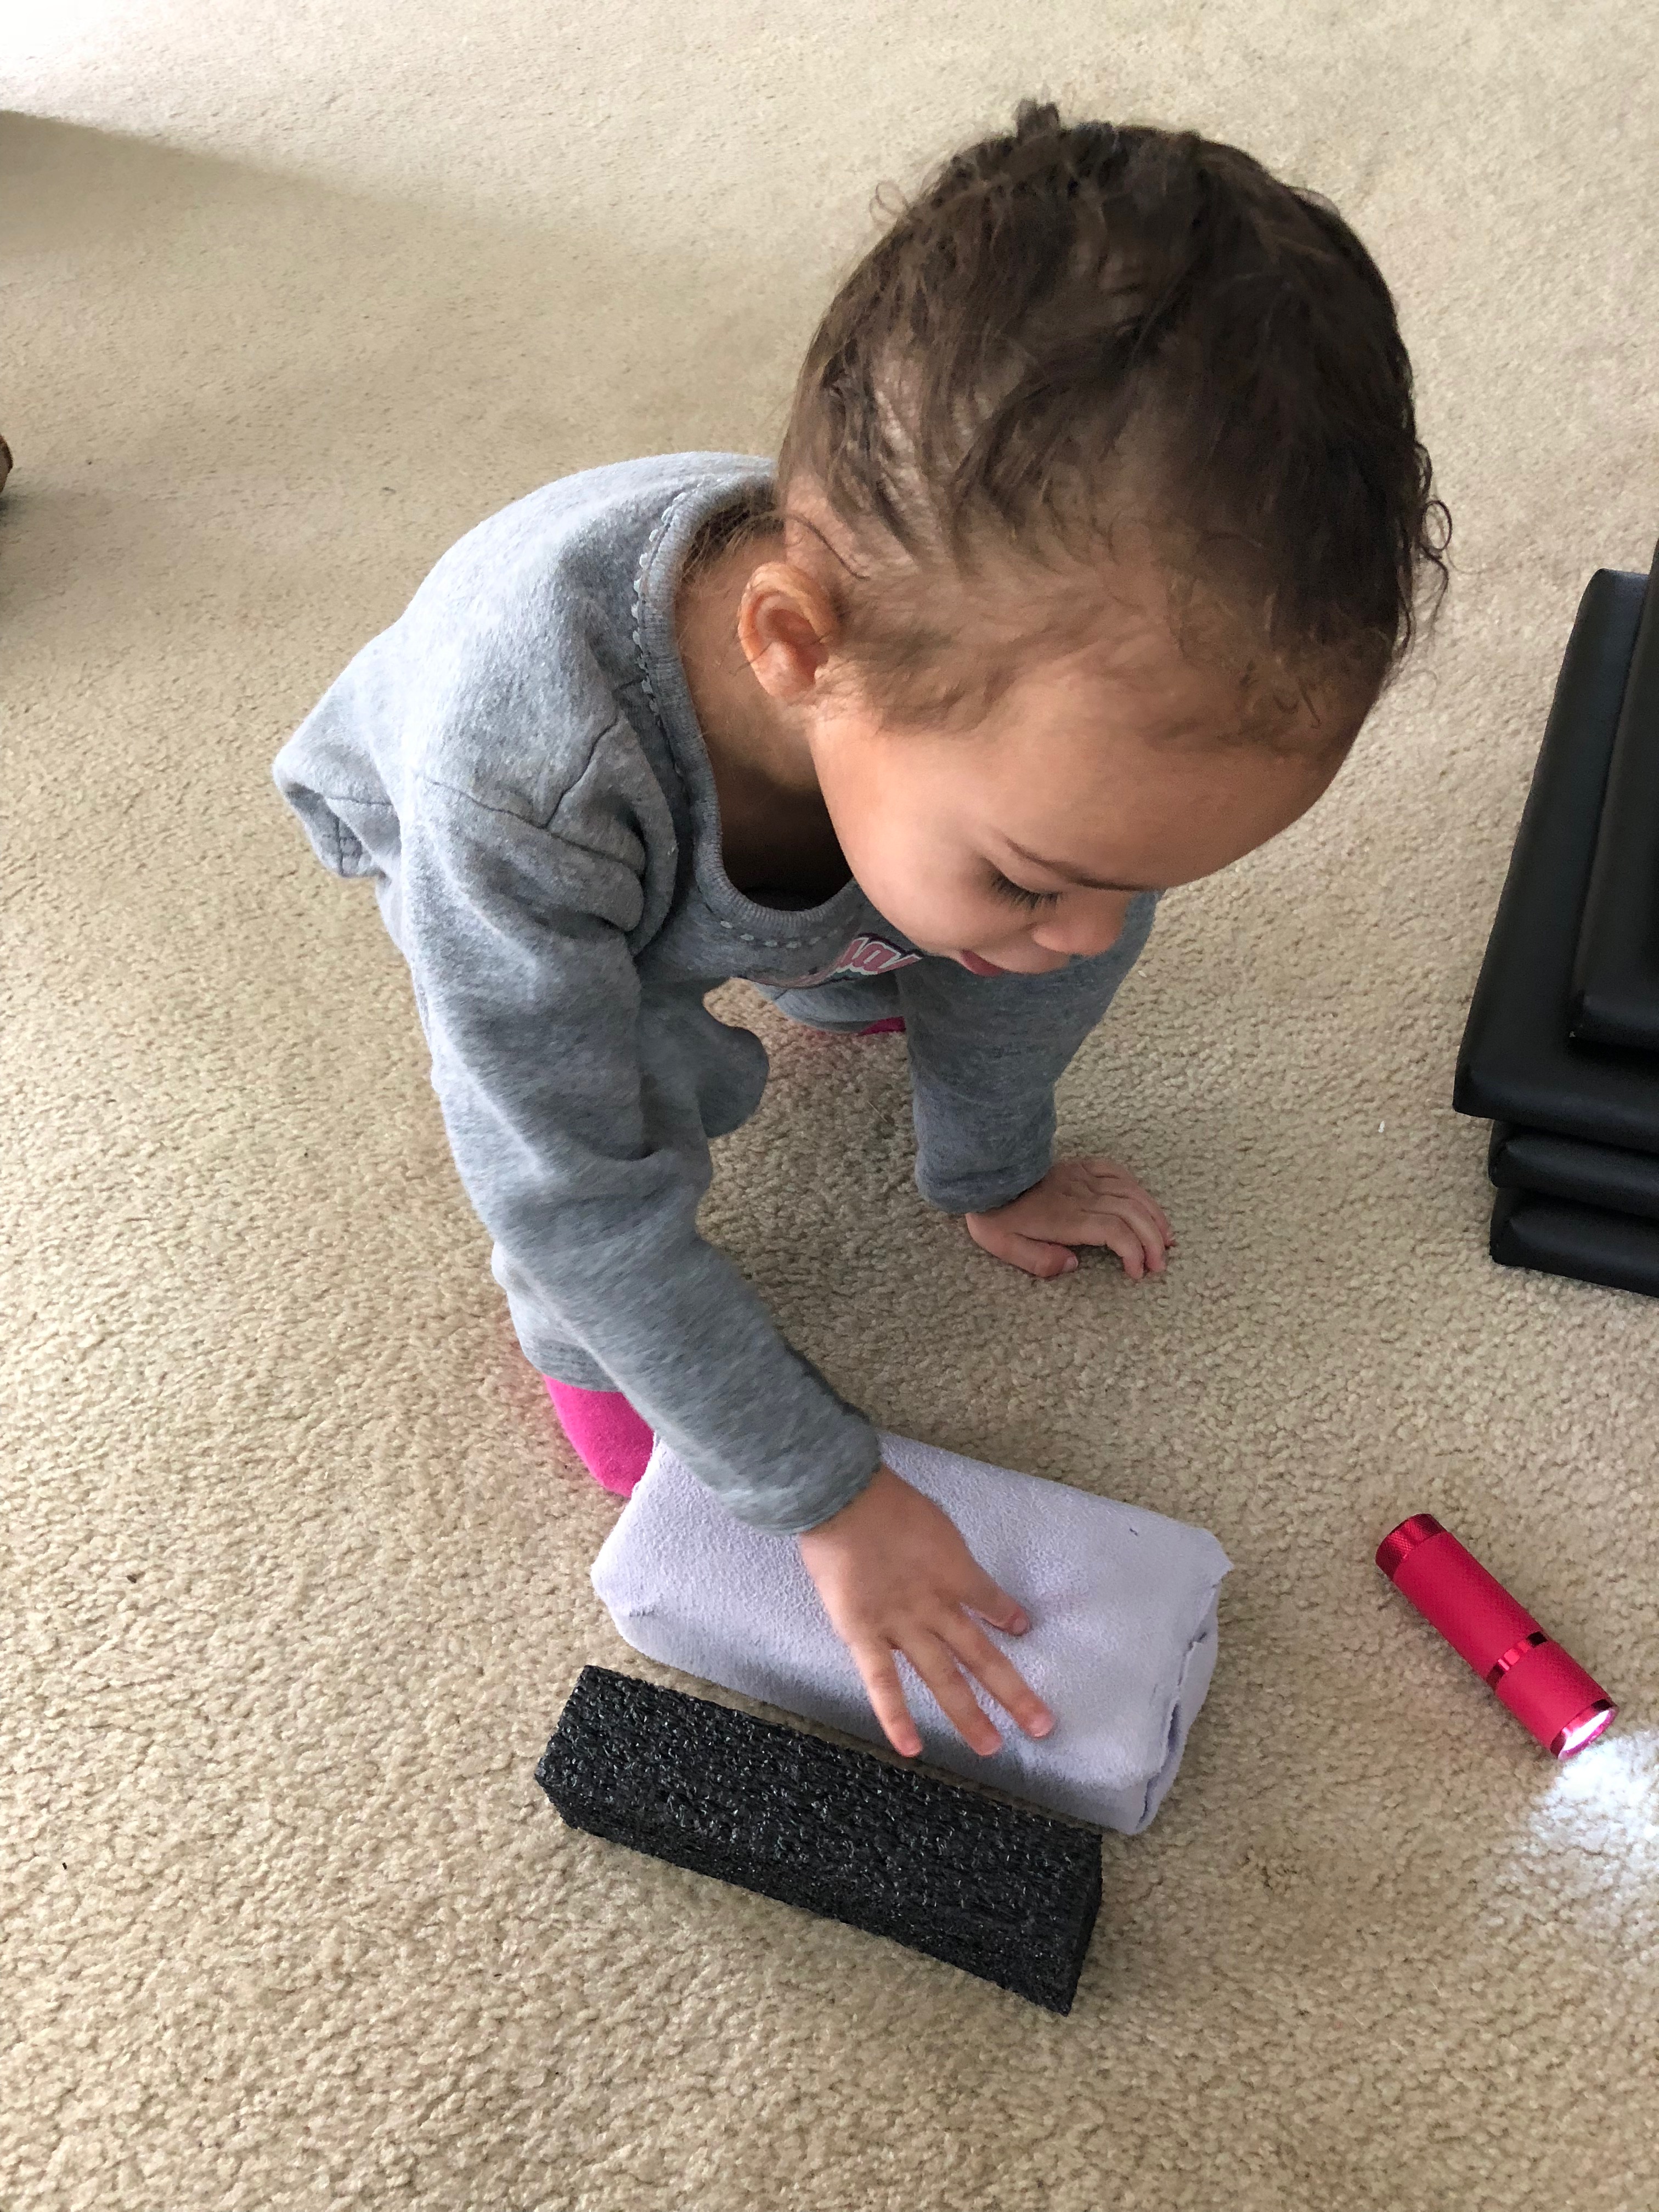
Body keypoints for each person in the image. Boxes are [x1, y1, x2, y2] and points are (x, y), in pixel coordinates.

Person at [271, 99, 1448, 1764]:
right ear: (801, 652)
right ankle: (624, 1347)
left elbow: (1050, 932)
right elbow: (574, 1192)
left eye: (1150, 875)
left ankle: (866, 928)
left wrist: (988, 1160)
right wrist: (819, 1494)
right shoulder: (520, 800)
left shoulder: (1001, 756)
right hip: (469, 822)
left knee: (944, 937)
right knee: (603, 1149)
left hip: (825, 820)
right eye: (1043, 872)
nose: (1096, 932)